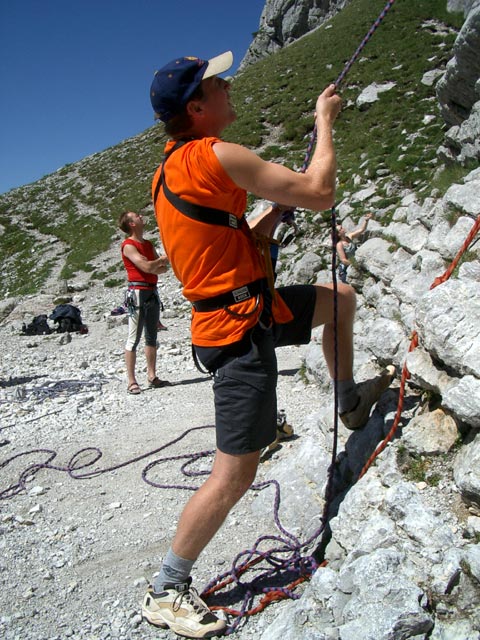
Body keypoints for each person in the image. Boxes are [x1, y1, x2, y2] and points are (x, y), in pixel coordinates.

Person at [142, 50, 395, 638]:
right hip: (235, 332)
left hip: (250, 309)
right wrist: (325, 120)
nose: (229, 86)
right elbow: (322, 191)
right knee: (235, 472)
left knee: (342, 298)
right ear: (197, 108)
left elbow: (228, 239)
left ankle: (348, 401)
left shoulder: (172, 170)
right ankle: (167, 587)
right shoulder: (214, 154)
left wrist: (274, 214)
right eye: (216, 83)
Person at [118, 211, 170, 395]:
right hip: (139, 292)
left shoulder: (147, 244)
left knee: (151, 336)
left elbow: (159, 269)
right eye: (136, 216)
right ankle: (131, 380)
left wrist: (155, 264)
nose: (141, 216)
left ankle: (151, 375)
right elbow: (149, 267)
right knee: (134, 338)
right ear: (131, 223)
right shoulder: (128, 245)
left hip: (150, 291)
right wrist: (160, 261)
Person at [336, 212, 373, 283]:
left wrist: (366, 220)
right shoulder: (339, 245)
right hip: (347, 268)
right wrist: (354, 265)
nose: (343, 228)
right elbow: (343, 260)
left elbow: (362, 230)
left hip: (355, 262)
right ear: (339, 234)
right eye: (341, 228)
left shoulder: (349, 236)